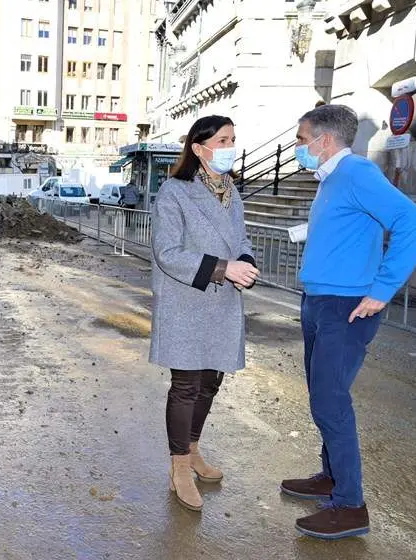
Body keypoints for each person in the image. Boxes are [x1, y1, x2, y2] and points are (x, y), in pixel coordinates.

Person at [281, 104, 416, 539]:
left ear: (324, 140)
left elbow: (413, 222)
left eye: (301, 138)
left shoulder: (357, 173)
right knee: (321, 396)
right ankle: (331, 478)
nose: (297, 147)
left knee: (330, 401)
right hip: (321, 300)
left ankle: (350, 505)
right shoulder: (331, 180)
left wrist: (382, 290)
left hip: (344, 306)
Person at [149, 115, 260, 511]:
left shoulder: (232, 192)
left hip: (222, 301)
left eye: (234, 137)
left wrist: (244, 261)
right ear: (199, 148)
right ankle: (179, 467)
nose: (231, 145)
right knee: (186, 386)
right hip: (186, 301)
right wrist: (222, 268)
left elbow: (242, 238)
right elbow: (167, 252)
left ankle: (193, 450)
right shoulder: (174, 192)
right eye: (223, 139)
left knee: (211, 382)